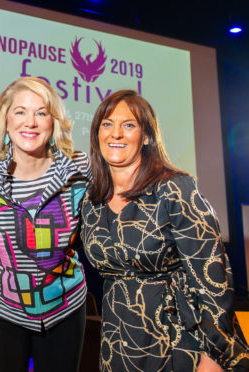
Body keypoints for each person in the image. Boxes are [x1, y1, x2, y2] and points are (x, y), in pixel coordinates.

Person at [80, 89, 249, 371]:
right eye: (107, 124)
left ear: (146, 137)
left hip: (180, 340)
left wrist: (214, 353)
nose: (116, 134)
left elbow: (213, 276)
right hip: (117, 342)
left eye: (129, 125)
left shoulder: (174, 189)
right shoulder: (91, 200)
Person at [0, 77, 90, 372]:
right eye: (20, 112)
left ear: (54, 122)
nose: (31, 122)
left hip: (63, 308)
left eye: (42, 112)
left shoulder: (79, 168)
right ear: (5, 118)